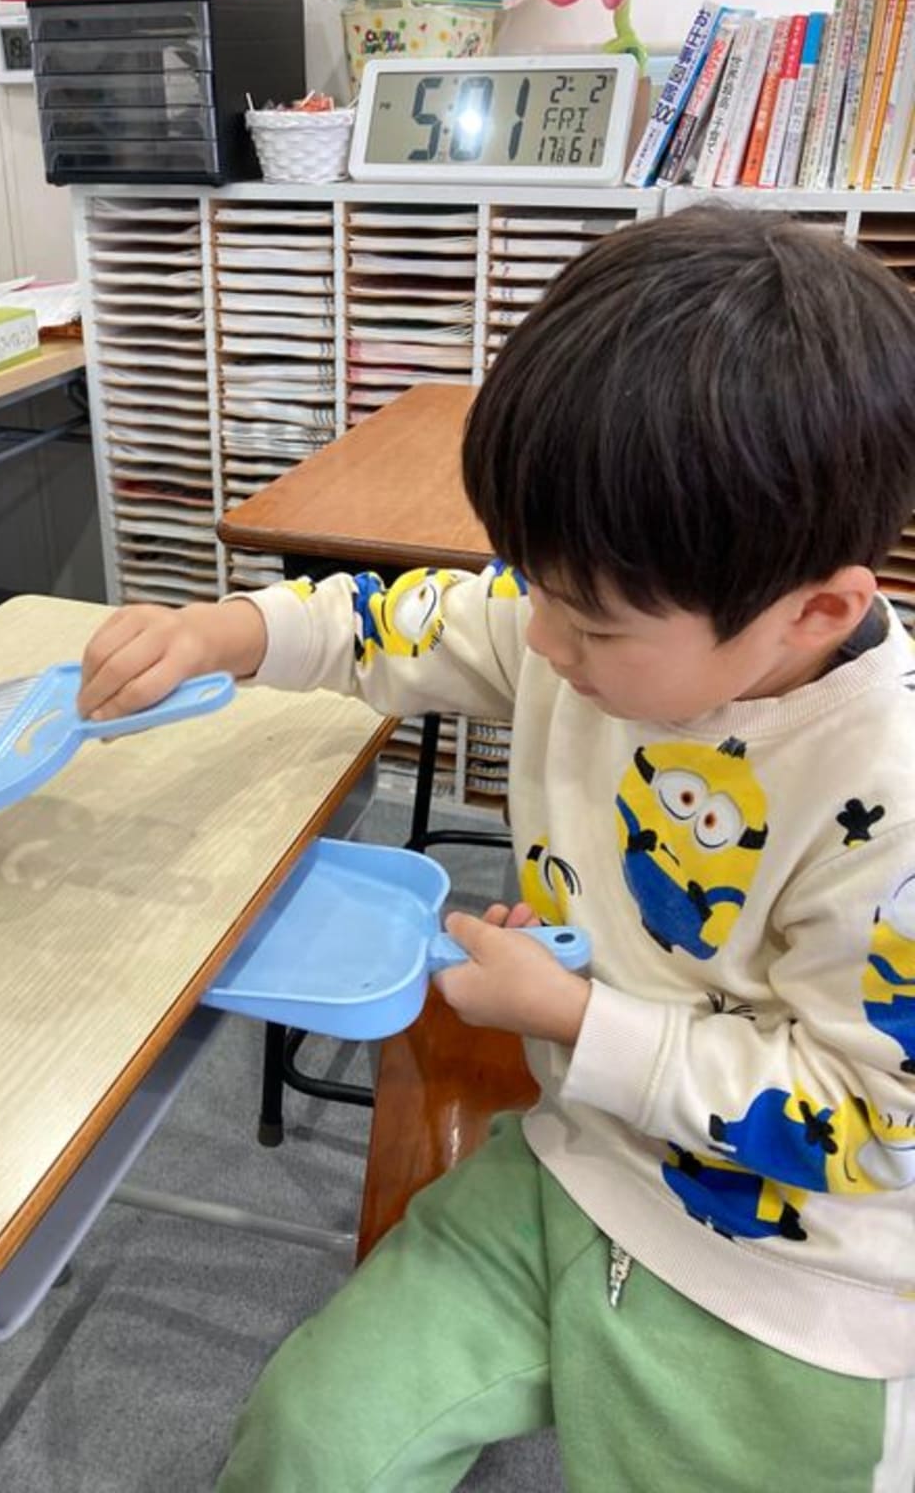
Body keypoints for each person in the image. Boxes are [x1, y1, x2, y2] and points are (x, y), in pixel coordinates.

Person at [77, 207, 915, 1491]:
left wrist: (576, 1016)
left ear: (818, 611)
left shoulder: (886, 792)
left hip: (793, 1281)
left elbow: (869, 1118)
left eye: (591, 624)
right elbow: (399, 622)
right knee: (311, 1441)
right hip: (573, 1164)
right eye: (532, 584)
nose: (539, 642)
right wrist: (224, 634)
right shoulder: (588, 617)